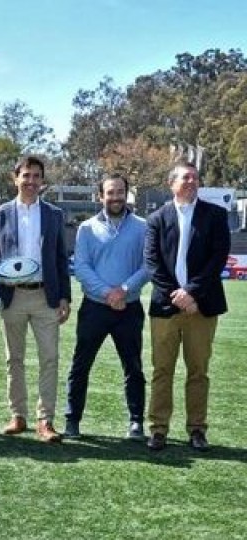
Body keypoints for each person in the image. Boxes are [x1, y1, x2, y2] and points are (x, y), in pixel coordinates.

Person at [0, 155, 71, 443]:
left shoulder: (54, 215)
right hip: (13, 296)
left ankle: (45, 421)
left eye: (36, 176)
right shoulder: (0, 213)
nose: (31, 181)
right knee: (15, 359)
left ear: (42, 181)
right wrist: (2, 268)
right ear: (15, 178)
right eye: (26, 175)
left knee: (50, 358)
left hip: (45, 296)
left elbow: (61, 257)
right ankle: (18, 415)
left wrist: (64, 298)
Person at [144, 161, 229, 452]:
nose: (191, 181)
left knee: (198, 371)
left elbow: (218, 258)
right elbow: (153, 263)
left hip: (201, 308)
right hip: (165, 309)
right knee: (162, 370)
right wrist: (176, 296)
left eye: (195, 177)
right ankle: (158, 429)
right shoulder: (157, 218)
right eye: (185, 177)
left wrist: (192, 293)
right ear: (171, 183)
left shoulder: (215, 215)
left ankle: (197, 429)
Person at [63, 174, 149, 441]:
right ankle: (72, 420)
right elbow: (81, 267)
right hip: (95, 308)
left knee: (133, 367)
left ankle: (136, 421)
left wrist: (123, 290)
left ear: (127, 194)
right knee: (81, 365)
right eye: (110, 193)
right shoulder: (87, 228)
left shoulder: (143, 227)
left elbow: (149, 266)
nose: (116, 197)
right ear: (100, 196)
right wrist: (107, 293)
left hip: (129, 308)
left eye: (121, 192)